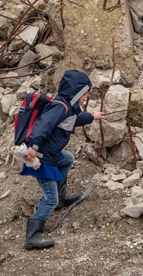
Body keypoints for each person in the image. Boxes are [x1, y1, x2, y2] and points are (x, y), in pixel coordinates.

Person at [20, 70, 103, 250]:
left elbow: (72, 120)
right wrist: (34, 147)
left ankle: (62, 197)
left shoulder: (67, 107)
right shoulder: (60, 107)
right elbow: (44, 125)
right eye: (83, 94)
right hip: (41, 158)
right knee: (50, 199)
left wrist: (92, 117)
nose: (85, 98)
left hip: (51, 154)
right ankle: (32, 236)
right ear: (76, 92)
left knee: (67, 159)